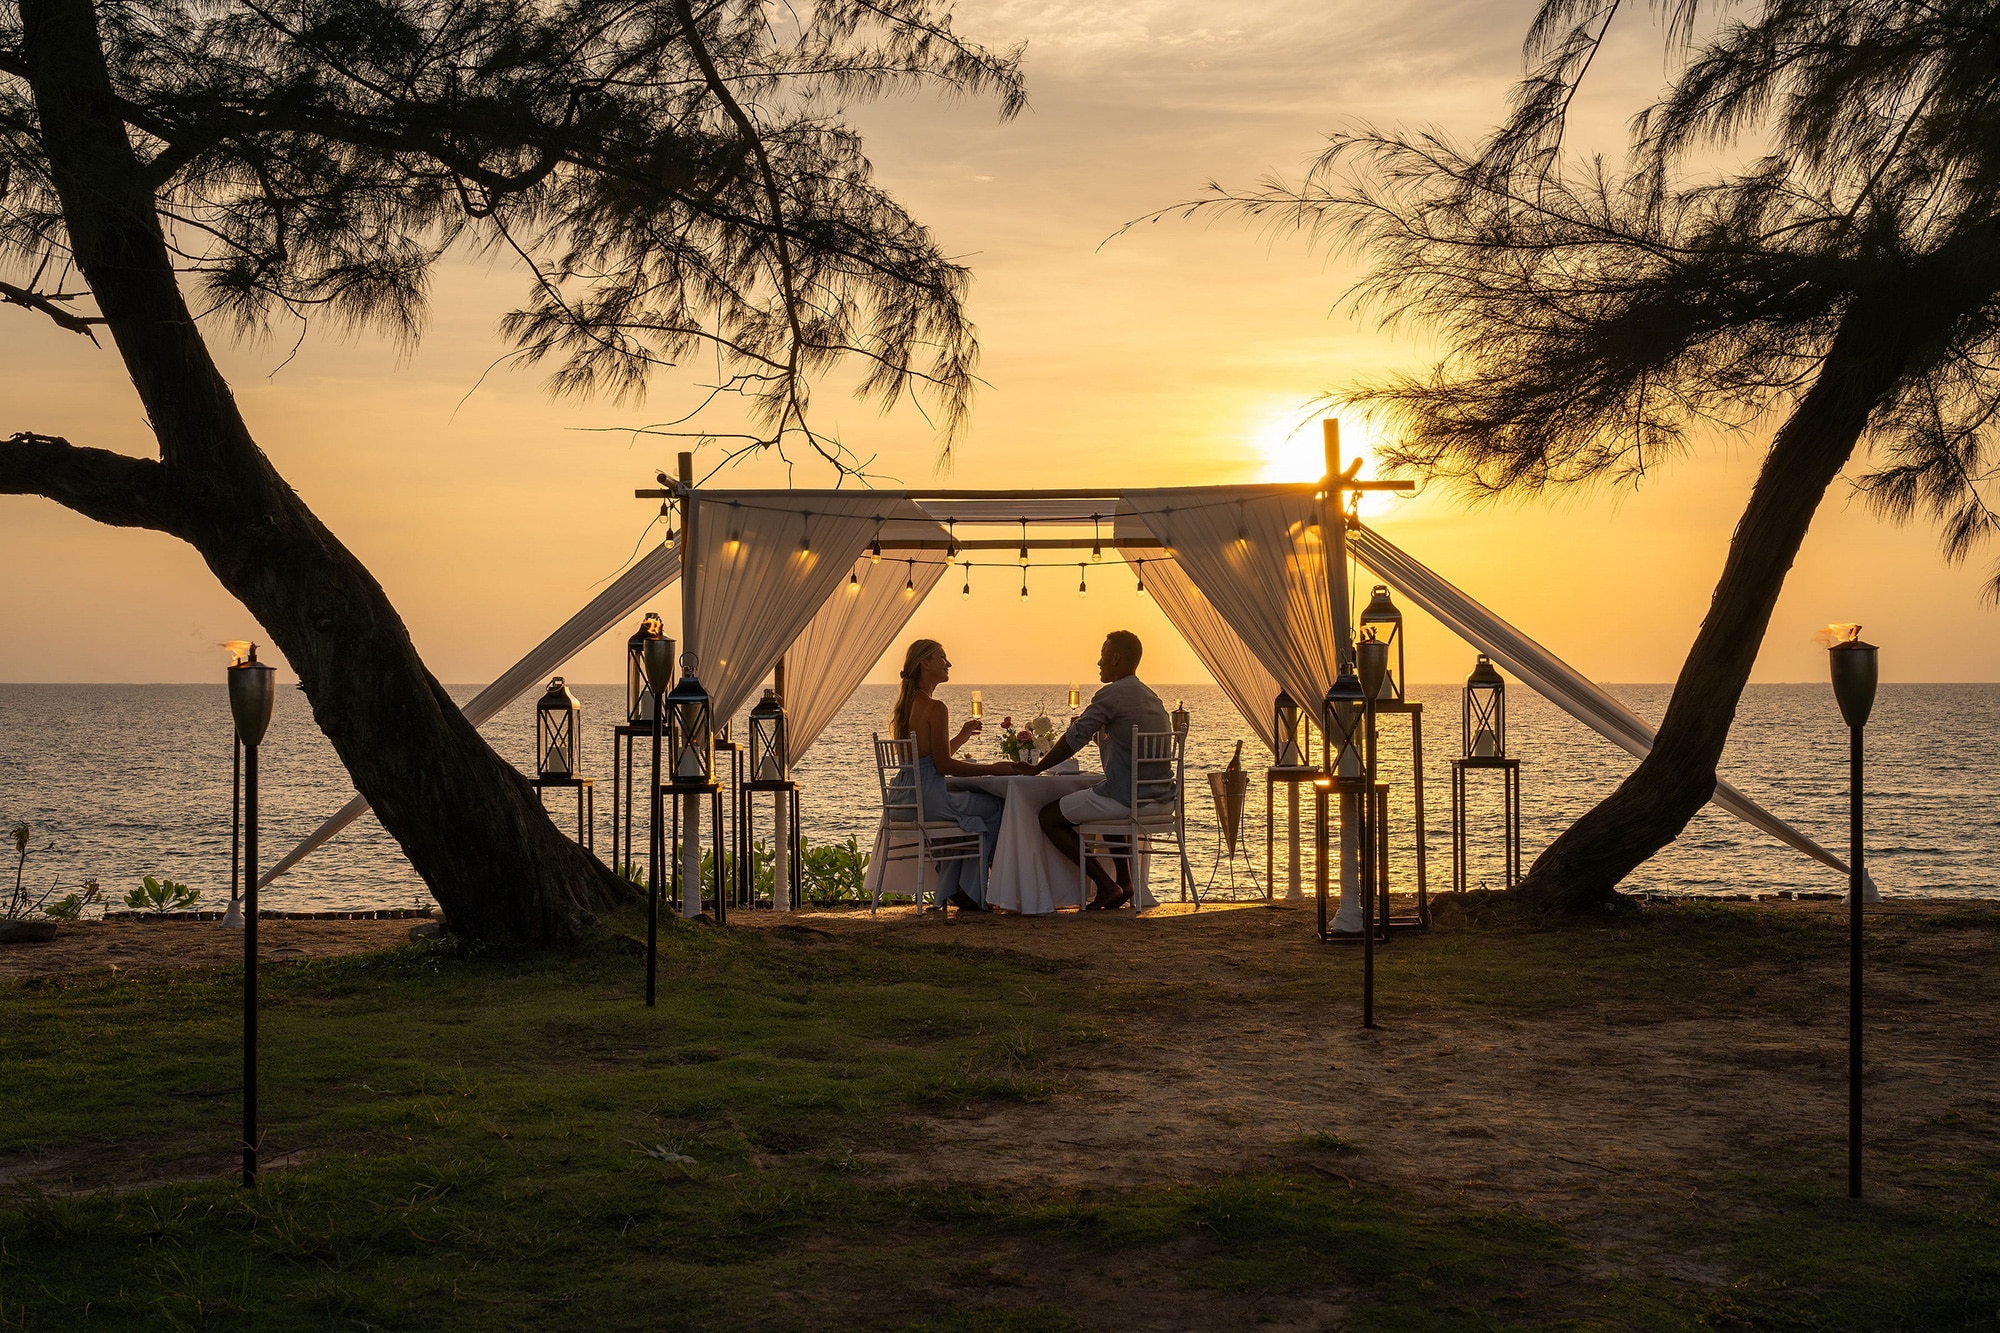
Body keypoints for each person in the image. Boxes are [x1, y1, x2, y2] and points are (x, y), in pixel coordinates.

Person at [1027, 630, 1171, 909]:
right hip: (1159, 797)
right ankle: (1126, 882)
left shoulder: (1112, 694)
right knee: (1100, 795)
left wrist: (1037, 769)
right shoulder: (1151, 697)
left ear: (1116, 658)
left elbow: (1074, 739)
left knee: (1048, 816)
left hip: (1126, 798)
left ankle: (1106, 885)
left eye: (1103, 655)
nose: (1099, 662)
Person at [890, 639, 1020, 911]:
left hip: (904, 800)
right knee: (997, 807)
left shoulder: (905, 707)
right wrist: (991, 769)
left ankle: (956, 887)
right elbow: (944, 766)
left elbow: (927, 758)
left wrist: (960, 738)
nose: (948, 663)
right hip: (929, 800)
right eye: (942, 657)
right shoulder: (936, 707)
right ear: (925, 663)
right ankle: (974, 889)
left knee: (968, 816)